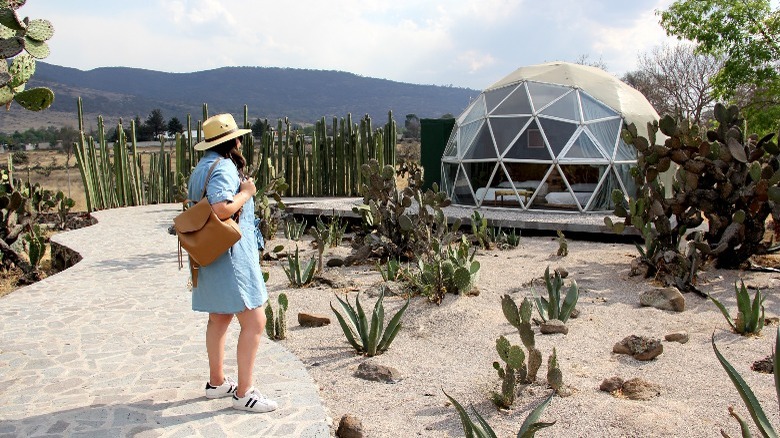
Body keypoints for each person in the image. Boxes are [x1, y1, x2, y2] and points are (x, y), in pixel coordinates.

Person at [187, 113, 277, 413]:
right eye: (239, 137)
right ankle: (244, 392)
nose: (241, 142)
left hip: (209, 254)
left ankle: (216, 383)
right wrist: (246, 192)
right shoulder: (225, 167)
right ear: (233, 141)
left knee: (220, 317)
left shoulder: (201, 167)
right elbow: (221, 208)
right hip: (231, 256)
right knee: (255, 321)